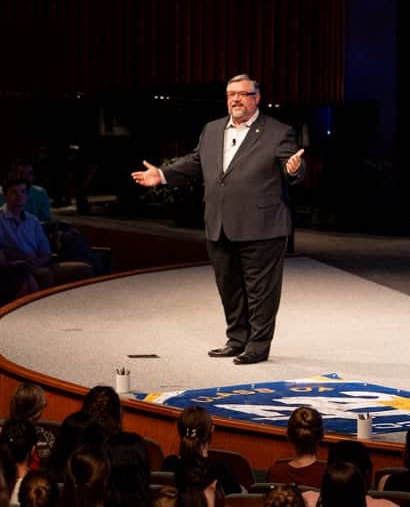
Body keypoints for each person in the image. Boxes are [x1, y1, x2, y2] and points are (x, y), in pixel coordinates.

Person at [130, 74, 304, 364]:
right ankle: (237, 339)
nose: (236, 99)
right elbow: (197, 162)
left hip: (262, 226)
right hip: (220, 222)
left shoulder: (277, 131)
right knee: (230, 287)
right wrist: (161, 175)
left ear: (256, 98)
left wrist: (294, 169)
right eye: (230, 94)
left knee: (261, 291)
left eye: (243, 94)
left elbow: (292, 168)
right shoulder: (212, 129)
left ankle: (258, 347)